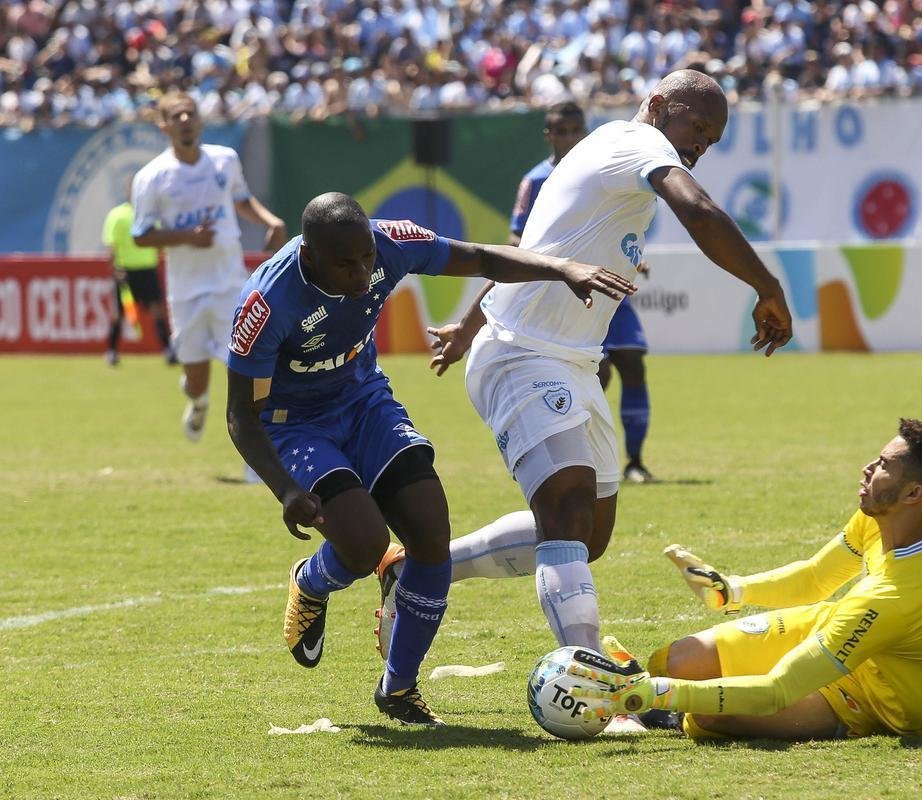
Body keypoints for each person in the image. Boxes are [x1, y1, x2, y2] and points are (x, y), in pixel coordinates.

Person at [378, 70, 792, 669]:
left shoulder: (612, 162)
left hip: (569, 359)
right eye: (696, 125)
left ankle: (413, 563)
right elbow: (699, 213)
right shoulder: (637, 144)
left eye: (713, 138)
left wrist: (469, 325)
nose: (701, 143)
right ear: (656, 106)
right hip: (525, 353)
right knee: (567, 513)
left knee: (588, 536)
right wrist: (767, 284)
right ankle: (592, 674)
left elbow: (534, 247)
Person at [224, 192, 635, 726]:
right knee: (365, 543)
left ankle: (398, 687)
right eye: (345, 264)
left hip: (364, 401)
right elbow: (240, 416)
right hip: (294, 424)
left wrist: (561, 269)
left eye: (366, 259)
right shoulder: (266, 303)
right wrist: (285, 489)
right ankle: (312, 581)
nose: (361, 272)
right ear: (309, 257)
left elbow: (482, 258)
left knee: (429, 533)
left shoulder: (390, 241)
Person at [566, 419, 922, 742]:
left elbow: (776, 690)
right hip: (856, 631)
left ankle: (657, 709)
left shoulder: (889, 596)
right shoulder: (903, 518)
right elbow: (818, 577)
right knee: (681, 661)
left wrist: (658, 694)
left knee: (711, 714)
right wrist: (734, 590)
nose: (868, 469)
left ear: (914, 494)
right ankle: (654, 697)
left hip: (887, 700)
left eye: (885, 466)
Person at [511, 102, 658, 483]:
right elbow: (518, 239)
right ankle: (576, 452)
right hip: (566, 292)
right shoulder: (535, 180)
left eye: (574, 129)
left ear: (583, 131)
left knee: (633, 365)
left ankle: (636, 462)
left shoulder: (601, 164)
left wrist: (631, 257)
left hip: (611, 285)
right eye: (559, 130)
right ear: (549, 135)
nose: (567, 137)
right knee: (596, 372)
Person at [131, 91, 287, 443]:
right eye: (177, 116)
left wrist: (269, 220)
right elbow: (141, 236)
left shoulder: (224, 160)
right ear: (164, 127)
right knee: (197, 378)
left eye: (190, 114)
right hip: (186, 291)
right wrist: (187, 236)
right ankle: (198, 401)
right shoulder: (152, 177)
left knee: (248, 369)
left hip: (231, 284)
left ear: (200, 120)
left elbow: (241, 200)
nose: (185, 120)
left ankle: (257, 457)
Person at [102, 184, 175, 366]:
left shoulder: (150, 216)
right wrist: (115, 269)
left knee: (157, 311)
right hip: (125, 272)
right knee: (119, 313)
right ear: (127, 192)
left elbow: (160, 244)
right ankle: (112, 351)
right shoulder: (117, 215)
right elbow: (111, 247)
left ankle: (168, 350)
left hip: (147, 270)